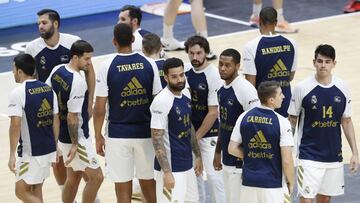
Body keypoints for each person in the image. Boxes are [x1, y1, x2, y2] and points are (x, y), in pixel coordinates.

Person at [25, 9, 96, 192]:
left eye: (44, 23)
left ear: (55, 24)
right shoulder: (32, 48)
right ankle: (65, 191)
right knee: (57, 157)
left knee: (81, 155)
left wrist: (90, 102)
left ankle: (89, 194)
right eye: (39, 23)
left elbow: (90, 71)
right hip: (49, 110)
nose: (40, 26)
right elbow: (30, 81)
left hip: (74, 105)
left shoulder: (72, 42)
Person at [93, 23, 162, 203]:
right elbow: (159, 103)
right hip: (145, 134)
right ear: (133, 39)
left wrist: (98, 136)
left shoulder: (107, 66)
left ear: (114, 41)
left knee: (123, 190)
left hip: (117, 136)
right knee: (149, 185)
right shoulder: (149, 64)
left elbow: (99, 108)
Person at [288, 44, 359, 203]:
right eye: (319, 61)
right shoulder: (302, 88)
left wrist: (355, 152)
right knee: (306, 199)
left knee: (325, 198)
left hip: (333, 154)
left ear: (334, 63)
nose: (323, 65)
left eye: (327, 62)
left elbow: (346, 121)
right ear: (314, 62)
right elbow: (292, 120)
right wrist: (286, 149)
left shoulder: (343, 87)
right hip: (308, 154)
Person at [46, 40, 103, 203]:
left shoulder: (57, 70)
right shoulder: (77, 82)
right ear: (75, 57)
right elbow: (72, 117)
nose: (89, 63)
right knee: (97, 177)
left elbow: (47, 96)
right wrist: (76, 143)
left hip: (62, 136)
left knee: (73, 178)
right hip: (76, 138)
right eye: (86, 59)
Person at [228, 81, 295, 203]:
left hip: (248, 182)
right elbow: (286, 160)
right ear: (271, 100)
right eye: (280, 94)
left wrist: (251, 156)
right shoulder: (282, 122)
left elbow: (231, 148)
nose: (284, 97)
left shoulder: (244, 116)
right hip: (273, 184)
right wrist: (291, 181)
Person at [8, 53, 59, 203]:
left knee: (21, 191)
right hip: (48, 148)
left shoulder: (17, 93)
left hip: (30, 153)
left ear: (19, 71)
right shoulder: (48, 89)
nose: (12, 72)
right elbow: (56, 120)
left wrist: (12, 154)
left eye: (13, 69)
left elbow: (15, 125)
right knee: (36, 189)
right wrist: (55, 146)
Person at [150, 57, 203, 203]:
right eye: (174, 77)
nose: (179, 79)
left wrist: (197, 155)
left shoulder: (185, 93)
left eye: (181, 75)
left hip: (187, 163)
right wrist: (167, 172)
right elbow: (156, 139)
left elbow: (188, 125)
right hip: (171, 168)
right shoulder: (161, 101)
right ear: (166, 77)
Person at [213, 48, 260, 203]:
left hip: (241, 161)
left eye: (228, 65)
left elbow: (256, 127)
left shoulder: (246, 89)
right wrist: (218, 152)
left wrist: (247, 157)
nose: (222, 68)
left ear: (237, 66)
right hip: (227, 157)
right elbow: (222, 123)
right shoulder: (221, 89)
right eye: (220, 64)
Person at [184, 35, 225, 203]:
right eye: (191, 53)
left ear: (206, 53)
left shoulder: (213, 75)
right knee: (195, 178)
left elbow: (213, 113)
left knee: (215, 179)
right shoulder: (185, 71)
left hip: (209, 134)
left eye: (199, 53)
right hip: (189, 135)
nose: (195, 57)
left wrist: (196, 137)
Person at [243, 6, 297, 117]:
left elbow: (250, 85)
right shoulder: (292, 43)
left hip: (263, 106)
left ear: (260, 21)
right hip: (285, 103)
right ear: (276, 22)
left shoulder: (251, 47)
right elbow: (290, 76)